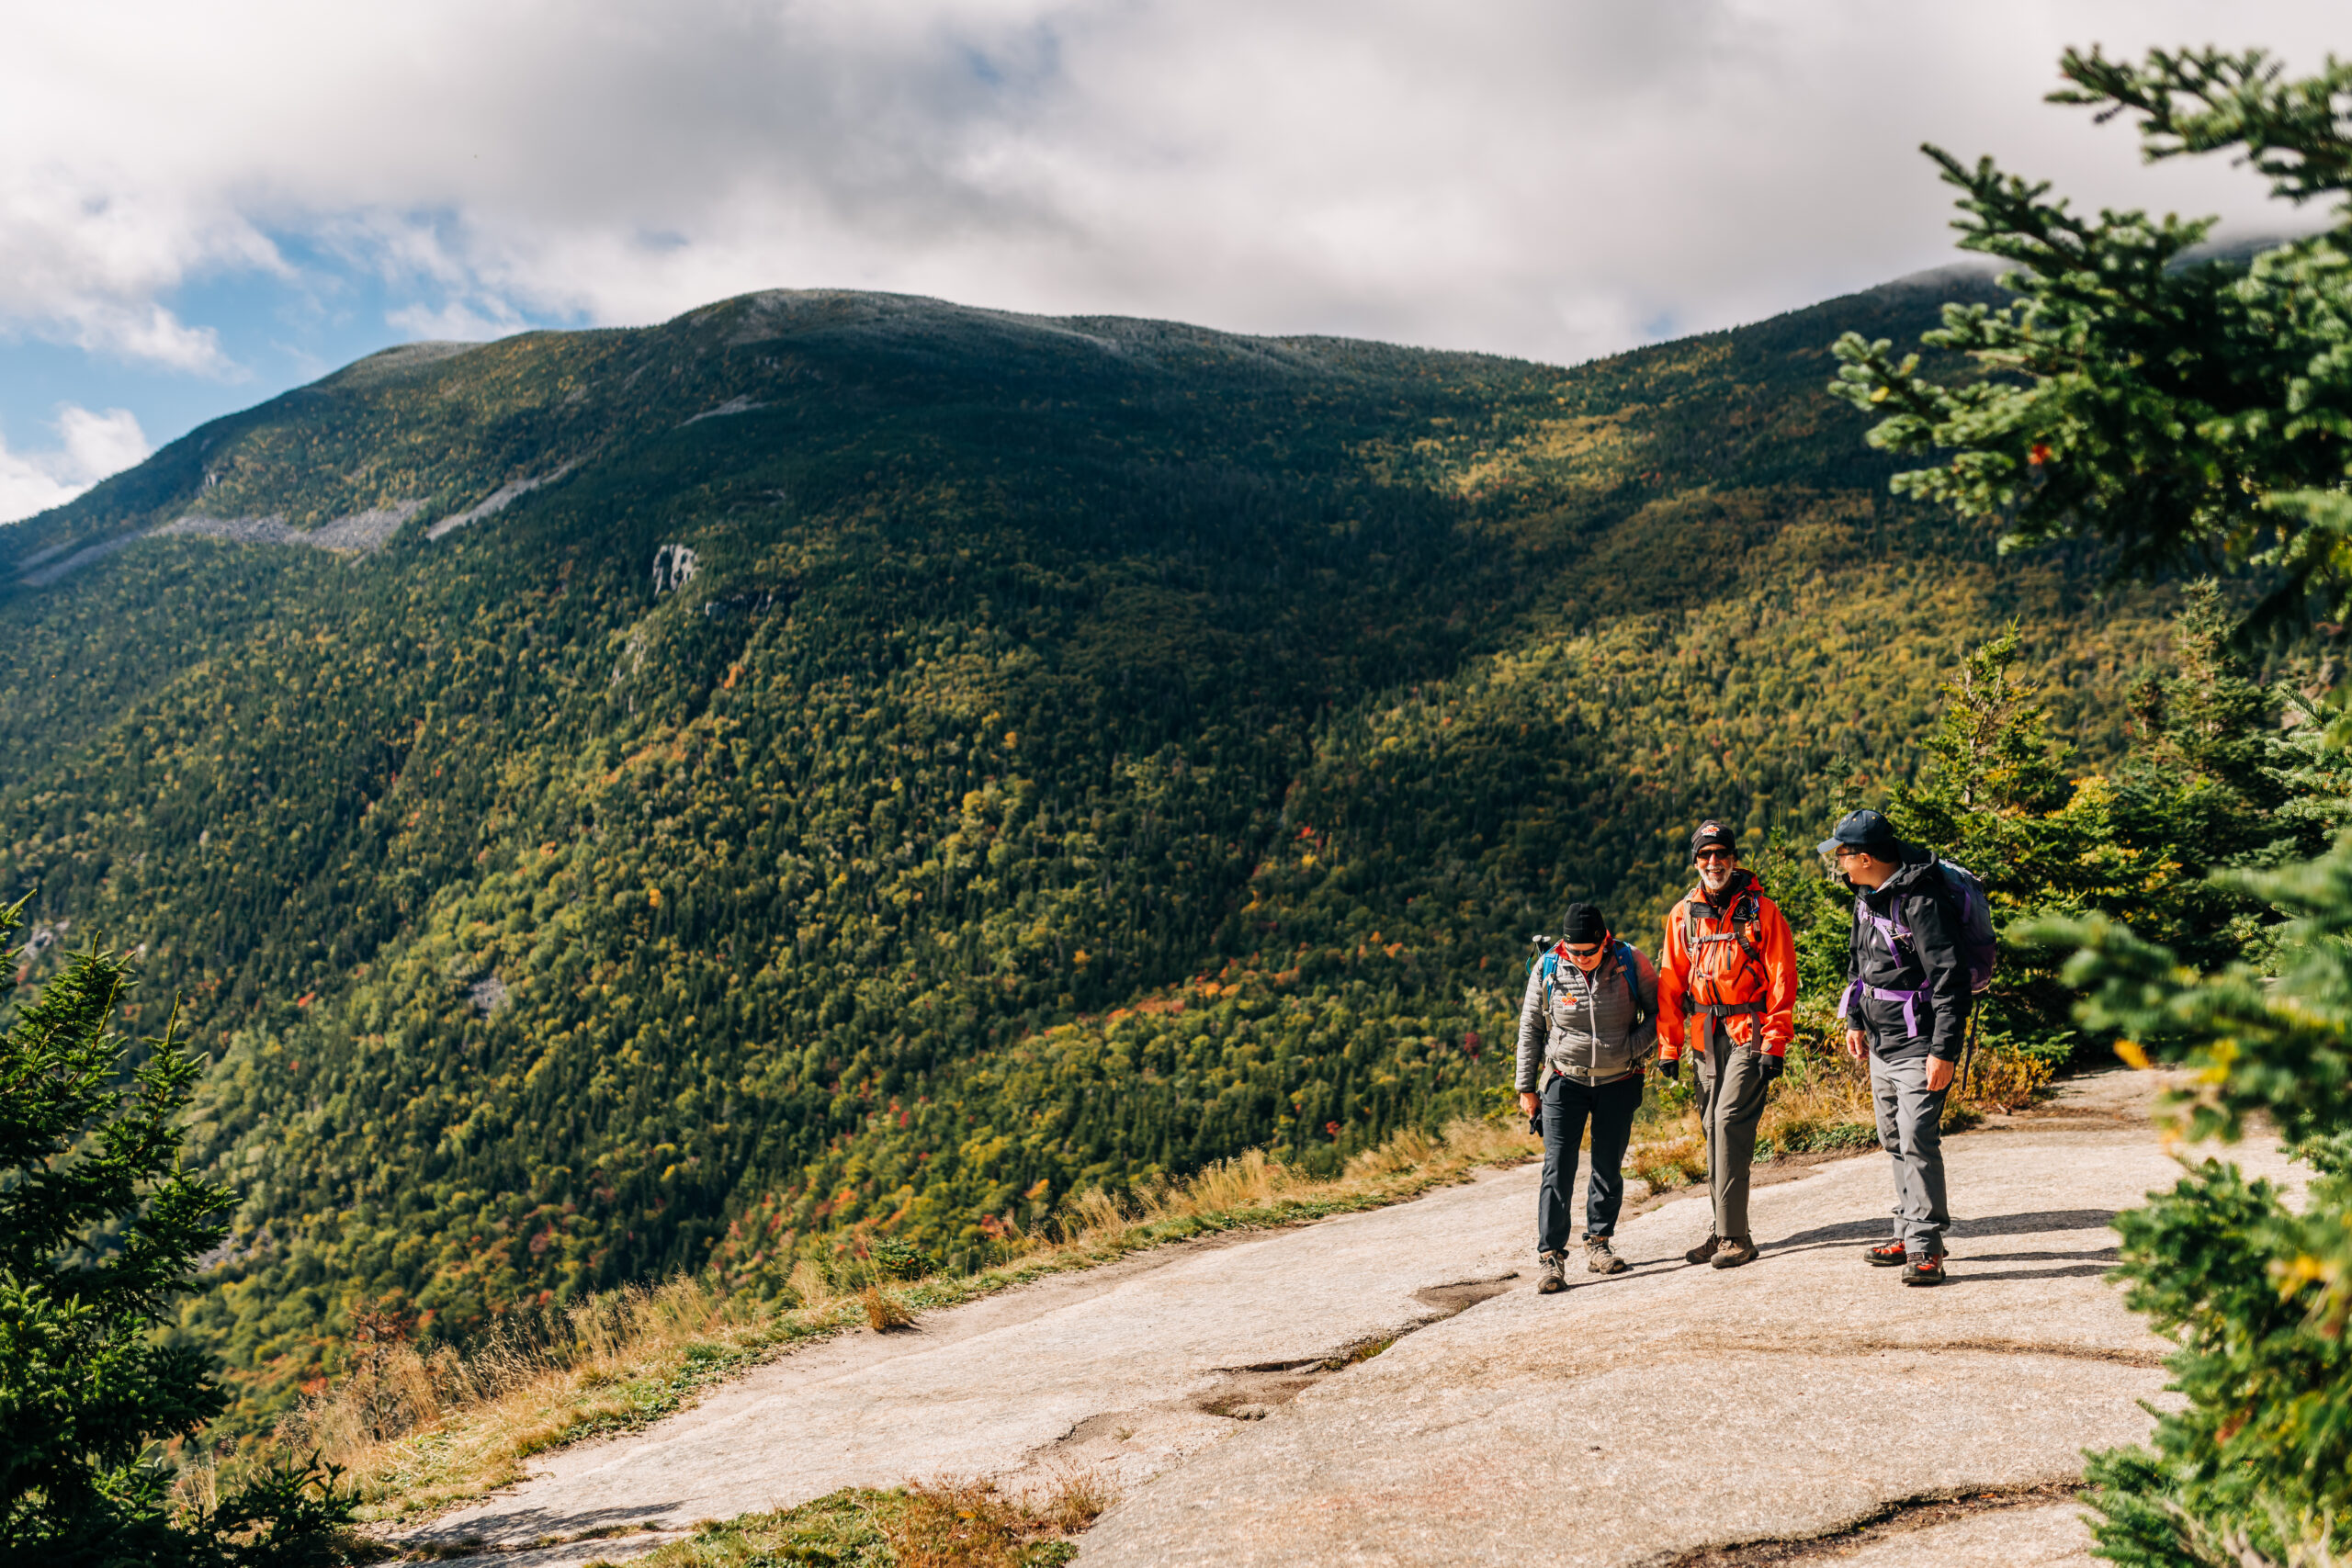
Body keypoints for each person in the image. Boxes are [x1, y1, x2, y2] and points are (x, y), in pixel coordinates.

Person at [1820, 808, 1971, 1287]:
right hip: (1882, 1040)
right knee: (1893, 1139)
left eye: (1841, 854)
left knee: (1917, 1139)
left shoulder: (1921, 902)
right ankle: (1907, 1230)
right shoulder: (1868, 893)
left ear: (1865, 857)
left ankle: (1926, 1249)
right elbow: (1859, 962)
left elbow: (1951, 981)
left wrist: (1944, 1051)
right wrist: (1854, 1018)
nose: (1837, 862)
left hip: (1920, 1041)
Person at [1655, 820, 1797, 1269]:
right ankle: (1724, 1229)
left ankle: (1735, 1237)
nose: (1713, 863)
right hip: (1703, 1033)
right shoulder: (1683, 915)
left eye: (1721, 854)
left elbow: (1782, 979)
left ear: (1734, 859)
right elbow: (1670, 983)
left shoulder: (1763, 911)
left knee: (1728, 1119)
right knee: (1711, 1129)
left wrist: (1775, 1042)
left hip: (1748, 1030)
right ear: (1695, 861)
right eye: (1704, 856)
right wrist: (1669, 1046)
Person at [1516, 903, 1659, 1293]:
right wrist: (1526, 1088)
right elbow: (1530, 1030)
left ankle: (1598, 1242)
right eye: (1573, 951)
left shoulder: (1631, 961)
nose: (1580, 959)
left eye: (1588, 952)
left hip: (1619, 1079)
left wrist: (1632, 1048)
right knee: (1557, 1167)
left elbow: (1660, 1014)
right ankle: (1551, 1257)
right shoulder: (1549, 967)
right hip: (1565, 1080)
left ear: (1605, 941)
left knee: (1607, 1164)